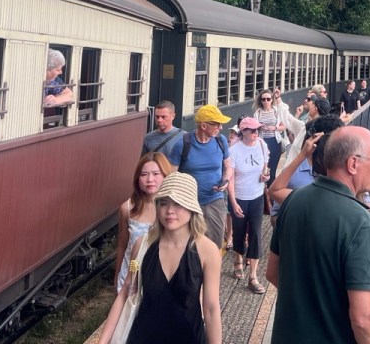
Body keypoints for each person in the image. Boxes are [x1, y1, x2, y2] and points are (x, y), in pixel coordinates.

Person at [267, 126, 370, 344]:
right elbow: (364, 318)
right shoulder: (360, 221)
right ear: (353, 163)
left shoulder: (294, 200)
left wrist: (308, 308)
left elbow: (272, 272)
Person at [99, 172, 222, 344]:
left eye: (178, 203)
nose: (169, 211)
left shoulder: (208, 250)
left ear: (192, 207)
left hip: (189, 338)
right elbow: (126, 291)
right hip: (143, 337)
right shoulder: (142, 245)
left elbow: (210, 309)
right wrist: (103, 341)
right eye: (163, 203)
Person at [173, 104, 233, 249]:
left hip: (214, 200)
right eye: (217, 124)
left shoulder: (221, 141)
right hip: (188, 203)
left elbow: (228, 167)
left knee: (214, 244)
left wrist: (225, 180)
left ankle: (211, 271)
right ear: (204, 126)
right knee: (189, 245)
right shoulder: (183, 144)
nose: (220, 128)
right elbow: (171, 175)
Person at [114, 153, 173, 292]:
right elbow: (123, 246)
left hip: (160, 281)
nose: (150, 179)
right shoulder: (127, 208)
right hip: (131, 277)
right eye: (144, 174)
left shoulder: (174, 211)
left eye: (156, 174)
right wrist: (117, 275)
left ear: (166, 175)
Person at [227, 116, 270, 293]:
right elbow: (229, 178)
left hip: (257, 195)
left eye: (257, 129)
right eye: (252, 130)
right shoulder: (234, 150)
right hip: (239, 196)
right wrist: (233, 201)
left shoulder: (262, 144)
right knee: (238, 231)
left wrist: (265, 176)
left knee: (255, 232)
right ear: (243, 131)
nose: (255, 133)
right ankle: (238, 258)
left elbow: (265, 166)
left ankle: (253, 275)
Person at [254, 89, 286, 187]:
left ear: (272, 100)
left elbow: (284, 126)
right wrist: (260, 127)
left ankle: (271, 195)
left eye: (268, 99)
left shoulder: (276, 111)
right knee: (263, 168)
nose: (266, 102)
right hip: (262, 142)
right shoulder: (258, 113)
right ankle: (263, 192)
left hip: (275, 141)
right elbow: (254, 129)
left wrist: (275, 128)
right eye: (263, 99)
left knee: (272, 170)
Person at [43, 49, 74, 124]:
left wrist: (56, 100)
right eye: (58, 69)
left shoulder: (53, 80)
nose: (61, 72)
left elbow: (68, 94)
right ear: (47, 69)